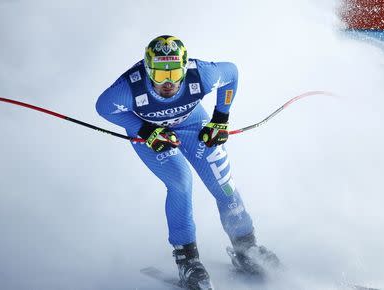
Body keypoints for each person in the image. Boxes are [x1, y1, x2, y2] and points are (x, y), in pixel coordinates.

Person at [96, 35, 279, 290]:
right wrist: (145, 130)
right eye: (159, 75)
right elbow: (104, 107)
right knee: (181, 182)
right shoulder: (131, 87)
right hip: (153, 132)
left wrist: (220, 119)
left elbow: (232, 74)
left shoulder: (200, 74)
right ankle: (188, 261)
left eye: (174, 74)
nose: (168, 82)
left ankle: (246, 246)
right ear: (147, 70)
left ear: (185, 69)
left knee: (221, 182)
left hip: (192, 123)